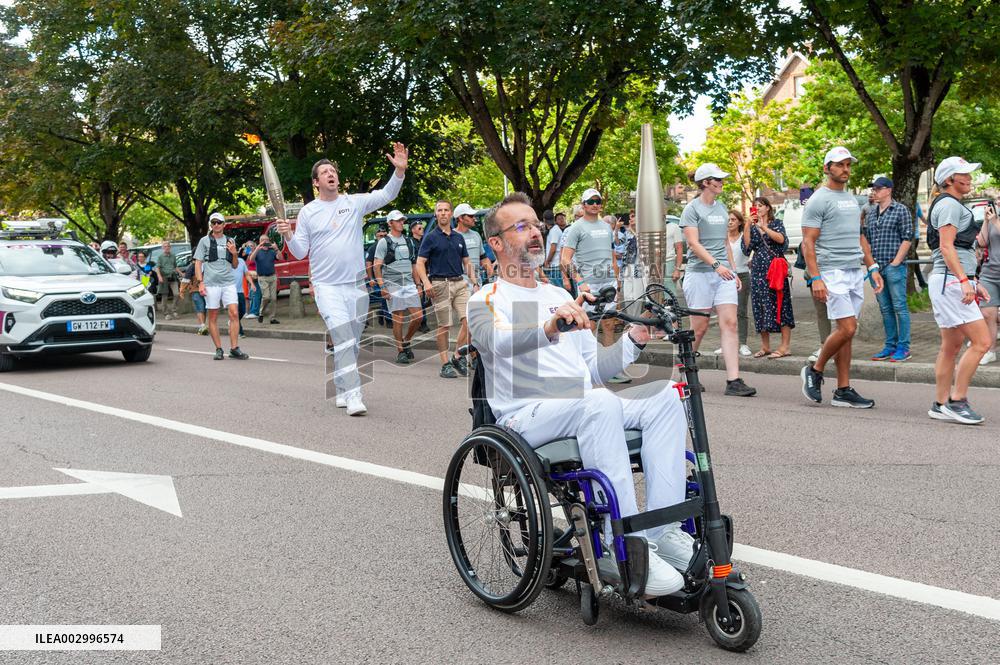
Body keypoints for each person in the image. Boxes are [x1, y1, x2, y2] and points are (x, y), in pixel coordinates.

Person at [467, 192, 693, 596]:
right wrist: (550, 329)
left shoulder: (558, 297)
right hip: (525, 413)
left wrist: (634, 339)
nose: (535, 232)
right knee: (597, 402)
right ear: (496, 243)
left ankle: (661, 532)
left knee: (662, 395)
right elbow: (495, 343)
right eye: (522, 226)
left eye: (535, 224)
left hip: (580, 400)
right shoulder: (484, 300)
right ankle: (618, 542)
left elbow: (594, 371)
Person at [278, 143, 408, 416]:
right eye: (325, 172)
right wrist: (288, 235)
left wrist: (398, 171)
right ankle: (353, 395)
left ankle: (340, 386)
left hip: (356, 286)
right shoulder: (309, 212)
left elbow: (386, 194)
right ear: (316, 182)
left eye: (333, 170)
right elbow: (301, 250)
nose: (331, 174)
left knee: (352, 341)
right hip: (327, 287)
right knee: (344, 337)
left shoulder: (354, 203)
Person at [800, 147, 882, 408]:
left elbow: (860, 237)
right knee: (848, 328)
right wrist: (816, 278)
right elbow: (807, 243)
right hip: (831, 271)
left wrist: (872, 267)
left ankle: (843, 390)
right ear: (827, 168)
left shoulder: (854, 200)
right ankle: (815, 369)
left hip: (854, 270)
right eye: (839, 165)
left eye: (848, 164)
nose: (845, 169)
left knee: (846, 333)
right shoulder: (817, 200)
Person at [679, 164, 755, 397]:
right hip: (700, 274)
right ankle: (685, 373)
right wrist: (716, 266)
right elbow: (693, 244)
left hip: (723, 274)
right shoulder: (691, 210)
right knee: (699, 329)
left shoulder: (721, 208)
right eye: (718, 179)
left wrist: (732, 271)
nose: (722, 182)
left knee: (730, 322)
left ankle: (733, 380)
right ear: (705, 183)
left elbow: (724, 243)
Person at [926, 156, 991, 424]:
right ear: (949, 179)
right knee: (983, 342)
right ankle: (957, 400)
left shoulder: (949, 204)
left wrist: (973, 281)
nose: (969, 178)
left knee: (951, 346)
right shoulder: (950, 205)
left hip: (949, 281)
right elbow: (947, 247)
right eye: (963, 174)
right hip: (950, 282)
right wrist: (965, 281)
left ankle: (941, 403)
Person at [414, 199, 472, 379]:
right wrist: (426, 283)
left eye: (446, 210)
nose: (443, 213)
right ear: (436, 214)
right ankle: (445, 363)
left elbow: (467, 262)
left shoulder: (458, 237)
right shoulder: (430, 237)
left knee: (470, 322)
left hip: (460, 283)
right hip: (439, 284)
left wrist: (475, 281)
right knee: (444, 326)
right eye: (440, 210)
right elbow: (420, 263)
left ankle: (456, 356)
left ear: (451, 213)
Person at [863, 177, 913, 362]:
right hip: (876, 268)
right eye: (873, 189)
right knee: (885, 309)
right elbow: (866, 240)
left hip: (893, 267)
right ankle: (890, 345)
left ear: (888, 190)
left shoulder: (900, 210)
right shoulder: (871, 212)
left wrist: (895, 263)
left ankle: (904, 347)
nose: (874, 192)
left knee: (899, 307)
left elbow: (907, 238)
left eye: (877, 188)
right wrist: (871, 265)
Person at [742, 197, 794, 358]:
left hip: (775, 269)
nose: (757, 208)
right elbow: (746, 248)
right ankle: (765, 346)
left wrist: (764, 226)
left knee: (781, 304)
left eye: (760, 205)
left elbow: (781, 240)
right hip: (758, 270)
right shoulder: (751, 225)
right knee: (760, 307)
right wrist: (747, 225)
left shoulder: (776, 223)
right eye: (755, 206)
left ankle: (785, 346)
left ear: (768, 208)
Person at [194, 212, 250, 361]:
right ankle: (218, 349)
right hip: (211, 283)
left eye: (219, 222)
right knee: (213, 316)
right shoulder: (204, 241)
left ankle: (234, 348)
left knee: (234, 313)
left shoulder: (230, 241)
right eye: (214, 222)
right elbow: (198, 263)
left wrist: (234, 253)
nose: (216, 225)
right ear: (210, 225)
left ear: (224, 225)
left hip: (228, 282)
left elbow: (235, 265)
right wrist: (200, 282)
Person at [373, 210, 423, 363]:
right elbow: (376, 266)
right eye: (398, 220)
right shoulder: (384, 242)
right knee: (398, 318)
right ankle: (400, 351)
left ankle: (406, 340)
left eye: (402, 220)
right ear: (390, 223)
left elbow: (414, 265)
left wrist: (418, 284)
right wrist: (382, 287)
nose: (401, 222)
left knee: (418, 317)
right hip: (392, 284)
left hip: (409, 284)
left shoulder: (408, 241)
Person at [713, 210, 752, 357]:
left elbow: (749, 248)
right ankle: (726, 343)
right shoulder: (722, 238)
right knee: (724, 312)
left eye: (733, 220)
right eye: (728, 220)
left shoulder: (744, 237)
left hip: (741, 275)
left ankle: (742, 343)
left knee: (741, 311)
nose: (730, 222)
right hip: (724, 276)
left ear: (739, 222)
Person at [976, 199, 1000, 365]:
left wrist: (994, 221)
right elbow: (982, 242)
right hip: (990, 273)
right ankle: (991, 351)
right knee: (987, 314)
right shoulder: (992, 220)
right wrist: (986, 220)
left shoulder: (995, 221)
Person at [248, 234, 279, 324]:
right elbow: (251, 259)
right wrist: (258, 247)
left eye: (267, 240)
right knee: (266, 297)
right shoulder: (257, 251)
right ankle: (261, 313)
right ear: (260, 241)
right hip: (262, 277)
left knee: (273, 298)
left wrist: (276, 248)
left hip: (272, 277)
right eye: (263, 240)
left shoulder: (272, 251)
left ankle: (272, 318)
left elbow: (280, 257)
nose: (265, 241)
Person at [365, 223, 390, 327]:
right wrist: (371, 278)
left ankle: (382, 313)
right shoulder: (373, 248)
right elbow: (368, 264)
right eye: (380, 236)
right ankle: (388, 320)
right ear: (376, 236)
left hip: (389, 276)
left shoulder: (390, 244)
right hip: (378, 278)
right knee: (385, 298)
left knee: (389, 298)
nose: (383, 237)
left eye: (385, 235)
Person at [410, 221, 431, 333]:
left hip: (426, 272)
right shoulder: (410, 243)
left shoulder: (425, 241)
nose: (422, 230)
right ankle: (422, 323)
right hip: (415, 274)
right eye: (419, 228)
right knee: (420, 298)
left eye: (422, 228)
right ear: (413, 230)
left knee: (427, 298)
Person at [154, 241, 180, 320]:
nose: (167, 247)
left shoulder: (173, 256)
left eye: (168, 246)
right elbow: (157, 268)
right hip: (164, 277)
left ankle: (174, 310)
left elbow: (175, 266)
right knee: (164, 296)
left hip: (172, 276)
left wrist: (182, 274)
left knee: (176, 294)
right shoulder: (160, 257)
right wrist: (159, 276)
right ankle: (166, 313)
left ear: (170, 247)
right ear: (162, 248)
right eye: (165, 246)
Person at [180, 260, 208, 334]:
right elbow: (186, 279)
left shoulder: (208, 265)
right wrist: (182, 291)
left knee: (205, 308)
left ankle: (203, 326)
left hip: (207, 290)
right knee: (200, 308)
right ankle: (202, 326)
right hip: (195, 290)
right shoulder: (192, 266)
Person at [544, 212, 567, 281]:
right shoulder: (553, 230)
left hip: (556, 265)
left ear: (544, 220)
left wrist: (547, 261)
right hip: (554, 265)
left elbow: (553, 248)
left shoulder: (554, 230)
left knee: (559, 289)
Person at [232, 253, 249, 337]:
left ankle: (233, 321)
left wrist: (252, 283)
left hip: (240, 290)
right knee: (235, 312)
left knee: (242, 311)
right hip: (230, 291)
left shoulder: (241, 261)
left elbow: (246, 273)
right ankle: (240, 332)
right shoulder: (226, 262)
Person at [664, 214, 684, 285]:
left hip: (669, 262)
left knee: (669, 293)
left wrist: (677, 269)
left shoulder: (674, 227)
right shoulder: (649, 226)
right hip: (652, 264)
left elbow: (679, 248)